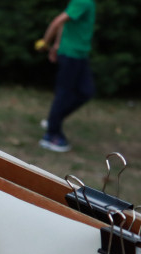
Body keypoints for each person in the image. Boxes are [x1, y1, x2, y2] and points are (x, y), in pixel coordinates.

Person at [38, 0, 96, 153]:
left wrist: (57, 44)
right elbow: (58, 21)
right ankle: (51, 135)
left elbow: (65, 22)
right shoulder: (83, 1)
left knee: (86, 92)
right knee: (64, 94)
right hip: (71, 55)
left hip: (80, 55)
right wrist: (45, 42)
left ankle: (53, 121)